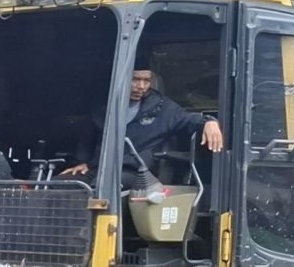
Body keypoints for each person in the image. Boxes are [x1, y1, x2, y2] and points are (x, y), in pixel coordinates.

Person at [61, 67, 224, 183]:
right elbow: (87, 140)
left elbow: (189, 120)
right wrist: (81, 163)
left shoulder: (163, 108)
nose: (141, 86)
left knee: (102, 189)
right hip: (98, 169)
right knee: (56, 185)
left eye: (146, 80)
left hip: (135, 172)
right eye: (135, 80)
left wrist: (209, 121)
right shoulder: (104, 107)